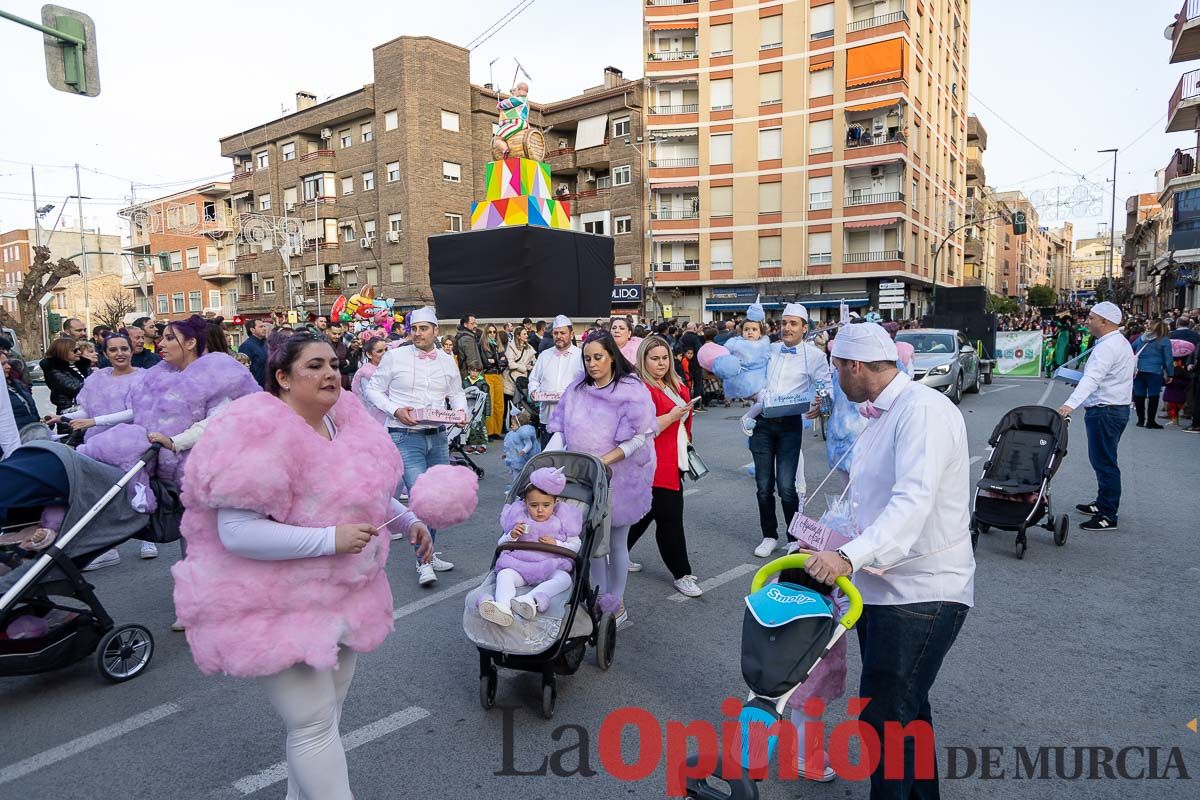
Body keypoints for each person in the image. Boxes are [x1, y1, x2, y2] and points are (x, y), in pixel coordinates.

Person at [171, 329, 433, 800]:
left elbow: (365, 494)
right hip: (277, 604)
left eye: (334, 364)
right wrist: (330, 540)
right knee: (312, 724)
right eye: (314, 366)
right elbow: (238, 531)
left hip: (346, 595)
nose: (330, 373)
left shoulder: (347, 420)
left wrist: (406, 519)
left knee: (325, 719)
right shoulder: (259, 432)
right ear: (283, 378)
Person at [801, 322, 974, 799]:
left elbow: (911, 505)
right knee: (906, 712)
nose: (835, 377)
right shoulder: (883, 413)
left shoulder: (922, 412)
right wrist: (826, 540)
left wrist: (845, 557)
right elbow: (868, 503)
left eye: (836, 367)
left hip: (921, 591)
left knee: (885, 719)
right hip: (883, 587)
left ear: (855, 366)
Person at [546, 332, 656, 624]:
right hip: (583, 478)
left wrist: (604, 461)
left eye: (598, 357)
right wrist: (544, 462)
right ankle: (599, 596)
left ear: (611, 356)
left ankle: (616, 602)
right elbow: (559, 431)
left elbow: (639, 438)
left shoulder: (631, 390)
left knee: (617, 541)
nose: (592, 364)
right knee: (592, 543)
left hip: (621, 478)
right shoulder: (576, 390)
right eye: (587, 358)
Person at [364, 306, 462, 586]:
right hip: (405, 436)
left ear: (435, 331)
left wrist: (461, 411)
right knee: (421, 499)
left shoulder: (446, 360)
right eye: (414, 328)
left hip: (438, 435)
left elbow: (455, 393)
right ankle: (424, 562)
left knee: (437, 501)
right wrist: (395, 410)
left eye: (423, 328)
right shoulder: (395, 357)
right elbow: (373, 390)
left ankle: (429, 551)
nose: (417, 333)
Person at [747, 303, 831, 558]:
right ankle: (769, 535)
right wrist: (751, 392)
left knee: (786, 486)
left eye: (793, 324)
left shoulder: (815, 356)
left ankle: (795, 537)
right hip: (762, 421)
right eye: (784, 323)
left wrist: (821, 404)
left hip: (790, 425)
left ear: (805, 328)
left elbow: (825, 385)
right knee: (763, 485)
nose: (787, 328)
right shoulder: (769, 350)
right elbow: (751, 375)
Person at [626, 336, 702, 598]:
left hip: (674, 460)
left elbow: (686, 424)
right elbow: (641, 429)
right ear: (643, 361)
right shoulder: (641, 389)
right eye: (654, 358)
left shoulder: (677, 385)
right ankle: (682, 574)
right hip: (651, 462)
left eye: (664, 357)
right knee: (669, 520)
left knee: (642, 515)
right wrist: (672, 417)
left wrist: (686, 445)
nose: (661, 362)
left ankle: (615, 554)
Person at [1057, 302, 1136, 532]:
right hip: (1113, 407)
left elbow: (1091, 379)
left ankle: (1108, 514)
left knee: (1104, 462)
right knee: (1103, 460)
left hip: (1105, 410)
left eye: (1091, 318)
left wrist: (1069, 405)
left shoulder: (1107, 347)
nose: (1087, 321)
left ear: (1104, 321)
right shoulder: (1118, 343)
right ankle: (1102, 503)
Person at [478, 466, 582, 626]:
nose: (540, 510)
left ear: (556, 502)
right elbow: (501, 545)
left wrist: (557, 543)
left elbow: (576, 545)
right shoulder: (519, 519)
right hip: (520, 566)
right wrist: (511, 535)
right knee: (504, 574)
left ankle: (529, 599)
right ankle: (503, 607)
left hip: (549, 567)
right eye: (534, 505)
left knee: (564, 579)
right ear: (525, 503)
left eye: (546, 505)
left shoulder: (563, 521)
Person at [528, 315, 584, 445]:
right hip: (548, 417)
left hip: (573, 418)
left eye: (563, 333)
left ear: (572, 334)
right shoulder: (544, 356)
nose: (559, 336)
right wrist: (533, 391)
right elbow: (534, 379)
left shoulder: (581, 355)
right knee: (548, 460)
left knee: (571, 459)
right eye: (556, 333)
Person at [1131, 320, 1174, 430]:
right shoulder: (1164, 340)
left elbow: (1131, 349)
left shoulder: (1141, 338)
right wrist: (1170, 374)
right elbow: (1168, 359)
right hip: (1154, 371)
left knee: (1139, 394)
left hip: (1139, 370)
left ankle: (1140, 420)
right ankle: (1151, 421)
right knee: (1153, 396)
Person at [40, 337, 88, 415]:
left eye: (79, 349)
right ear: (63, 352)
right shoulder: (54, 369)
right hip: (69, 411)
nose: (79, 352)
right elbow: (74, 388)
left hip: (82, 409)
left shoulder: (78, 365)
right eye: (75, 350)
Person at [351, 336, 391, 427]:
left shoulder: (389, 368)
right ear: (369, 354)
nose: (385, 353)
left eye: (386, 349)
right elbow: (372, 401)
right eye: (380, 351)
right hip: (376, 421)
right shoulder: (366, 374)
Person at [503, 326, 537, 413]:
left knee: (520, 406)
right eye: (524, 334)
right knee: (509, 406)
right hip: (510, 381)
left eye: (526, 334)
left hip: (522, 382)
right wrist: (524, 368)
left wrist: (531, 367)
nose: (526, 336)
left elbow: (534, 362)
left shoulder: (529, 348)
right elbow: (510, 364)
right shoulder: (511, 347)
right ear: (518, 336)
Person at [239, 318, 270, 388]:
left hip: (268, 387)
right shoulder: (246, 346)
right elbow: (244, 371)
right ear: (252, 330)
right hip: (255, 388)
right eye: (261, 327)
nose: (264, 328)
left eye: (264, 326)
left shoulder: (266, 344)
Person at [453, 314, 484, 378]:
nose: (475, 325)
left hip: (466, 374)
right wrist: (476, 378)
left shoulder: (461, 335)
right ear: (465, 325)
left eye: (475, 323)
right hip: (472, 376)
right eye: (472, 324)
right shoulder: (467, 339)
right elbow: (472, 361)